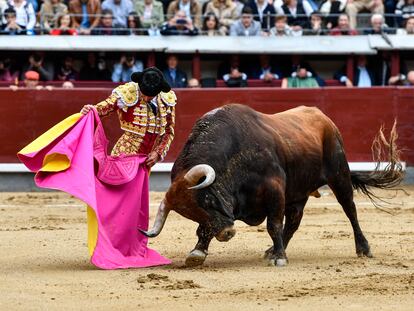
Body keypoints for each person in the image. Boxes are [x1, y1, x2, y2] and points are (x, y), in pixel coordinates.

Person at [80, 66, 176, 166]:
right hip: (125, 153)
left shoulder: (166, 99)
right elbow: (107, 106)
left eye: (150, 96)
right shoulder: (129, 92)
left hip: (147, 160)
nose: (146, 98)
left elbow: (168, 131)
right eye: (144, 93)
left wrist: (158, 152)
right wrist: (91, 110)